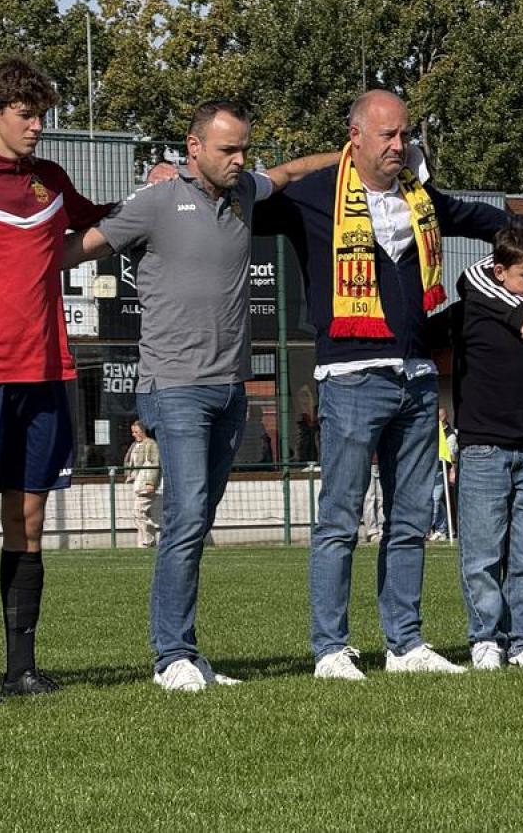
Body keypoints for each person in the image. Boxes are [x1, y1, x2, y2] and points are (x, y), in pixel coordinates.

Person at [64, 99, 338, 691]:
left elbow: (288, 174)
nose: (240, 159)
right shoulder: (157, 202)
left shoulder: (242, 195)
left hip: (230, 390)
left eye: (244, 147)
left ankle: (188, 653)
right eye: (227, 149)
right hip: (175, 387)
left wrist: (349, 154)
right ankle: (171, 658)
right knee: (187, 517)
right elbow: (81, 247)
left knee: (199, 518)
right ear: (193, 149)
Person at [255, 89, 516, 679]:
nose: (400, 146)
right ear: (354, 137)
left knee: (408, 520)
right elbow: (250, 195)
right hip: (350, 377)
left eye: (405, 135)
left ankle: (405, 643)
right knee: (340, 520)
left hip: (419, 376)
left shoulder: (420, 198)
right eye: (388, 136)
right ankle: (330, 648)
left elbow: (480, 217)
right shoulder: (312, 197)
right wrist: (301, 164)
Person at [0, 57, 112, 696]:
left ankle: (20, 670)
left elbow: (99, 224)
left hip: (43, 370)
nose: (37, 126)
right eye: (25, 115)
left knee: (27, 520)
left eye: (42, 115)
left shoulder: (51, 180)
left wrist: (157, 193)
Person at [451, 224, 523, 671]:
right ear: (498, 272)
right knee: (483, 554)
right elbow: (469, 276)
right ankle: (486, 639)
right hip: (483, 451)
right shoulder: (473, 307)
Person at [125, 421, 161, 547]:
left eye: (136, 431)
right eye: (133, 432)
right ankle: (144, 543)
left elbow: (154, 464)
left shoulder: (151, 444)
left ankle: (148, 540)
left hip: (146, 484)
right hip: (138, 483)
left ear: (143, 431)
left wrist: (150, 483)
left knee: (138, 511)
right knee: (143, 512)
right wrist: (130, 475)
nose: (133, 434)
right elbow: (132, 463)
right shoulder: (135, 445)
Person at [429, 407, 455, 541]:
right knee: (436, 502)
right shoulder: (431, 431)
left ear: (445, 417)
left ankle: (430, 529)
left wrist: (451, 471)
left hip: (441, 471)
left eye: (441, 417)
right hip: (429, 471)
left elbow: (450, 455)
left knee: (435, 500)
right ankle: (441, 528)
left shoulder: (450, 434)